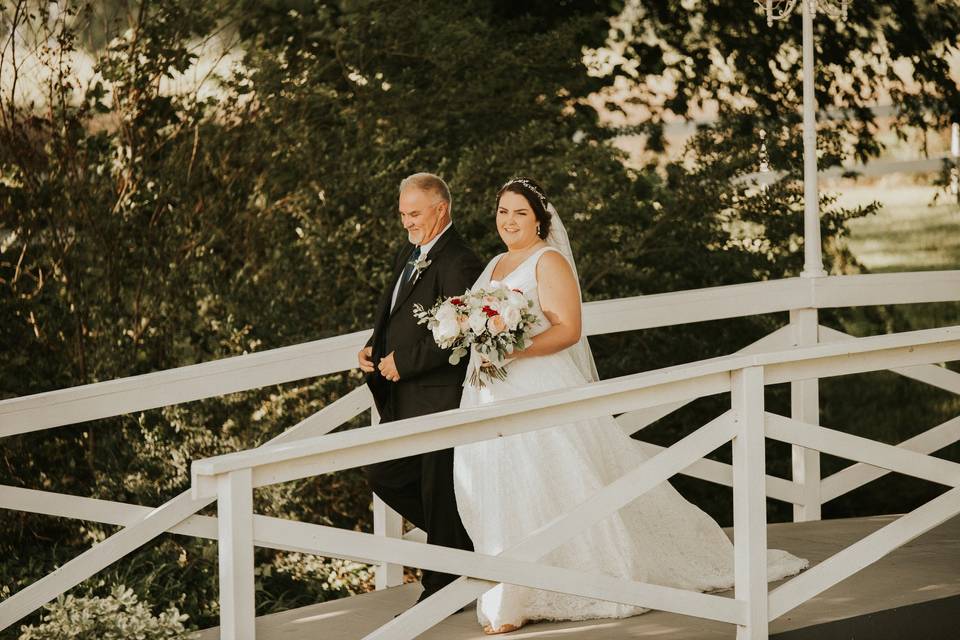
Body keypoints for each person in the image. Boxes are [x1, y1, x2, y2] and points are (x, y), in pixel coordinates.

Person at [454, 177, 809, 635]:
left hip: (538, 386)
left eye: (520, 212)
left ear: (540, 219)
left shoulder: (549, 260)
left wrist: (513, 348)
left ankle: (558, 586)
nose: (509, 221)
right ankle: (511, 586)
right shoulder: (496, 263)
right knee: (500, 484)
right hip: (490, 392)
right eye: (503, 211)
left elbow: (567, 330)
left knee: (552, 479)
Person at [359, 172, 484, 604]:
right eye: (403, 215)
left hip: (438, 396)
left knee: (435, 490)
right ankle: (466, 547)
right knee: (385, 475)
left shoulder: (460, 261)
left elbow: (462, 333)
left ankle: (442, 589)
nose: (407, 222)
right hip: (404, 395)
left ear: (441, 209)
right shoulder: (409, 253)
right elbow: (396, 314)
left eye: (415, 214)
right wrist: (374, 347)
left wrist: (404, 362)